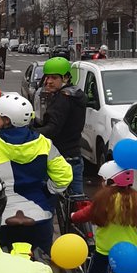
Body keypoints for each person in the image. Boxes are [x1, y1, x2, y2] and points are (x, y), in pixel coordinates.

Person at [0, 92, 72, 256]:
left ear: (7, 120)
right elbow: (64, 176)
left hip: (1, 217)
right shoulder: (44, 143)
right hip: (40, 216)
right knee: (45, 266)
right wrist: (47, 191)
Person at [39, 58, 87, 195]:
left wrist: (32, 133)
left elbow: (53, 128)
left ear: (66, 77)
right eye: (47, 77)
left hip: (61, 157)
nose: (48, 81)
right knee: (77, 202)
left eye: (54, 78)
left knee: (47, 200)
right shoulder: (76, 94)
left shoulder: (63, 98)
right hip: (75, 156)